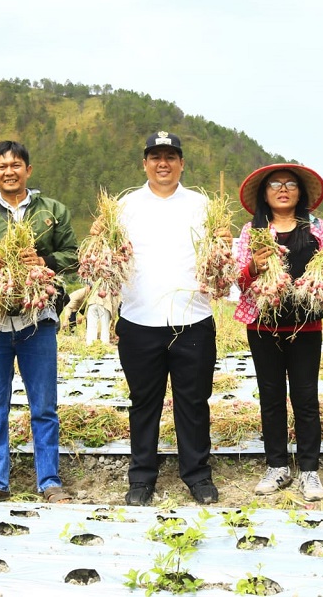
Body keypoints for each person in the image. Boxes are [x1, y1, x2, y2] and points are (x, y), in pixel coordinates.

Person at [0, 140, 77, 503]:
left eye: (16, 165)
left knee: (44, 407)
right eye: (2, 166)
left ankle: (49, 482)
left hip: (38, 321)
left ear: (28, 170)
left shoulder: (52, 210)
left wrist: (42, 262)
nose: (9, 172)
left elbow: (73, 256)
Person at [113, 131, 221, 506]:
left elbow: (218, 256)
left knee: (194, 402)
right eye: (156, 157)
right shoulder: (124, 206)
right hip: (139, 320)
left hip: (193, 320)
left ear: (181, 163)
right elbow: (109, 256)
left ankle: (197, 475)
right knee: (144, 403)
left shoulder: (203, 206)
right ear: (144, 163)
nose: (163, 164)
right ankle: (142, 477)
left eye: (170, 157)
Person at [233, 163, 323, 501]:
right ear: (265, 194)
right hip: (263, 324)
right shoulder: (253, 231)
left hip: (306, 325)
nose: (283, 189)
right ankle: (277, 466)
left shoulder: (316, 228)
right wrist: (254, 266)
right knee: (271, 396)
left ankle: (309, 470)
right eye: (275, 184)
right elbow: (239, 279)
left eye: (290, 184)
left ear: (300, 193)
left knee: (306, 397)